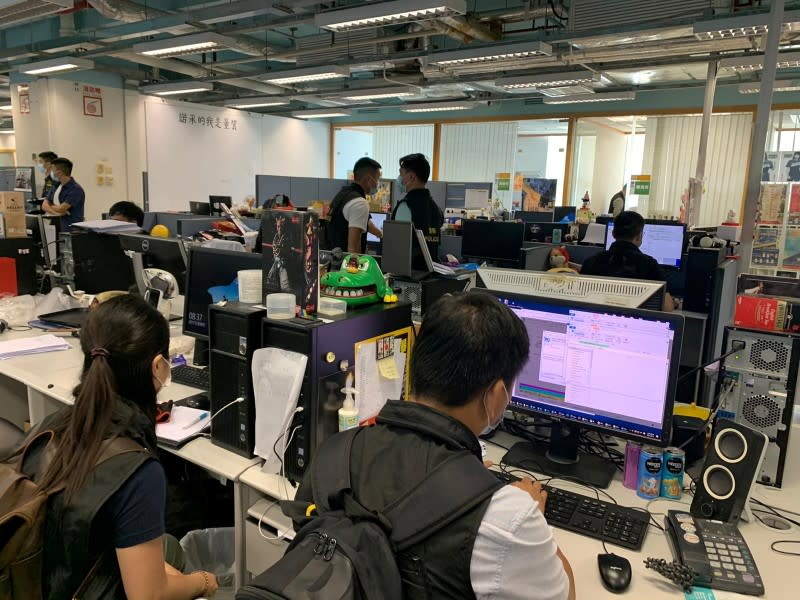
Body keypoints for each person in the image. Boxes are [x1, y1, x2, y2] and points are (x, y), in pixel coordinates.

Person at [292, 292, 576, 600]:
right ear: (495, 396)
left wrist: (463, 477)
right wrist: (532, 514)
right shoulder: (507, 516)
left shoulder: (334, 454)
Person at [20, 295, 218, 599]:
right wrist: (204, 582)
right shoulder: (136, 470)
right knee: (176, 558)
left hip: (42, 579)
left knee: (167, 549)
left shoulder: (51, 425)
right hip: (83, 585)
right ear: (158, 366)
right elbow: (148, 596)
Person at [581, 210, 674, 312]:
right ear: (639, 236)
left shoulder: (590, 262)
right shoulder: (649, 265)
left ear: (613, 234)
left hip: (595, 322)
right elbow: (667, 308)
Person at [391, 153, 444, 258]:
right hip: (429, 271)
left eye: (401, 173)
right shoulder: (436, 208)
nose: (399, 178)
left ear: (411, 177)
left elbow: (398, 247)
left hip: (410, 271)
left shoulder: (405, 207)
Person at [327, 157, 384, 253]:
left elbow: (365, 222)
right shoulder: (360, 203)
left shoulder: (344, 194)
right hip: (345, 264)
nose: (377, 184)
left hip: (334, 257)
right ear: (368, 179)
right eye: (377, 179)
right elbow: (353, 249)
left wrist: (381, 234)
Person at [42, 157, 86, 232]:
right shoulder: (55, 186)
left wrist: (51, 207)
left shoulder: (75, 189)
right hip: (55, 227)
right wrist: (56, 212)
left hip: (71, 230)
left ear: (59, 172)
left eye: (52, 169)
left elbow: (62, 208)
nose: (50, 172)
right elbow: (44, 206)